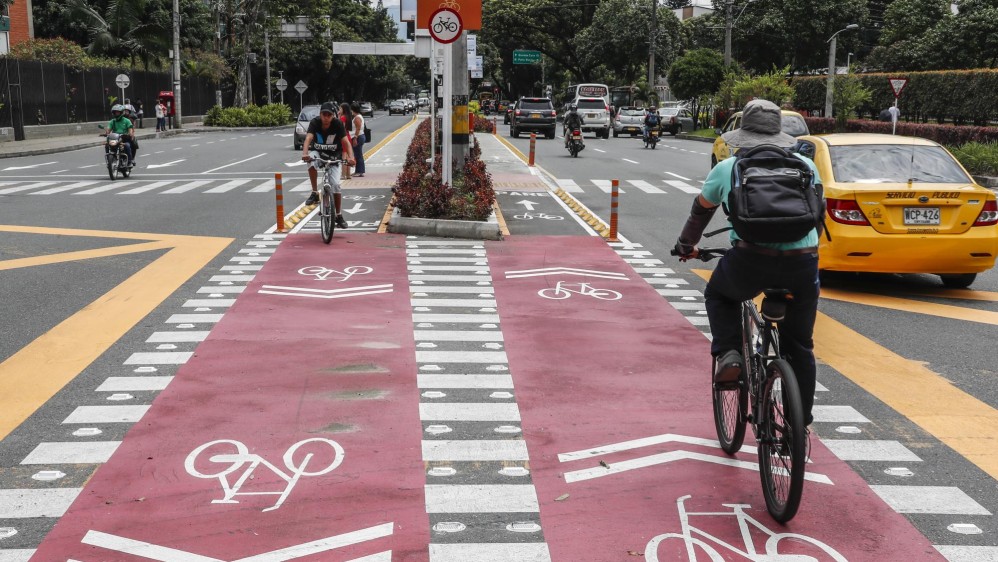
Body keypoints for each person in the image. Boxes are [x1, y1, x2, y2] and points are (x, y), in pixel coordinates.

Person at [672, 99, 822, 428]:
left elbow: (701, 211)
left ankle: (729, 354)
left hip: (752, 260)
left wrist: (686, 245)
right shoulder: (806, 166)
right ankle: (799, 424)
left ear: (743, 135)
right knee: (800, 346)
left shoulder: (728, 169)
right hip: (803, 264)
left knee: (720, 294)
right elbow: (817, 215)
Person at [302, 102, 355, 229]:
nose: (326, 117)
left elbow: (346, 142)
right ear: (320, 114)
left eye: (329, 115)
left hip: (334, 156)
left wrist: (351, 158)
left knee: (336, 185)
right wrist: (305, 153)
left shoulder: (337, 124)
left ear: (333, 116)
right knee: (311, 161)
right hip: (318, 153)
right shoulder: (315, 122)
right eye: (323, 114)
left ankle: (338, 215)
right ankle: (315, 192)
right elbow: (308, 138)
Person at [350, 101, 366, 178]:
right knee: (357, 154)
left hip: (358, 137)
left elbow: (358, 128)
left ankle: (360, 171)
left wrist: (355, 138)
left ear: (353, 109)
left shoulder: (357, 118)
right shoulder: (359, 116)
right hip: (360, 136)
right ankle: (358, 171)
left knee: (358, 155)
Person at [338, 103, 354, 180]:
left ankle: (343, 174)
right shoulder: (348, 117)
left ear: (343, 109)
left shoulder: (343, 118)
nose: (339, 110)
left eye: (340, 109)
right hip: (348, 136)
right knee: (347, 156)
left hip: (343, 137)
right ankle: (348, 174)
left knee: (344, 156)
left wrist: (338, 117)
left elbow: (340, 127)